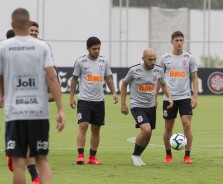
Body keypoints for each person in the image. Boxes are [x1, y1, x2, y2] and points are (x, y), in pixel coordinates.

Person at [0, 8, 65, 184]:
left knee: (18, 163)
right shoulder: (42, 46)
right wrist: (60, 109)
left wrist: (2, 94)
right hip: (39, 112)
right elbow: (52, 77)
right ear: (28, 24)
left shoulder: (3, 47)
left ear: (13, 26)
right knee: (42, 159)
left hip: (15, 112)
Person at [70, 36, 118, 165]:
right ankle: (80, 155)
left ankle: (92, 158)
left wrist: (113, 92)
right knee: (83, 125)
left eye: (99, 48)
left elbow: (108, 78)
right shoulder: (80, 62)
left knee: (96, 129)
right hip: (84, 100)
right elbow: (74, 79)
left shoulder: (104, 61)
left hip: (99, 101)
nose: (97, 51)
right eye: (94, 49)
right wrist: (71, 97)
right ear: (88, 48)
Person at [121, 48, 173, 167]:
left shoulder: (158, 70)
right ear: (143, 58)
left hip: (151, 106)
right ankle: (135, 155)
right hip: (137, 106)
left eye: (155, 59)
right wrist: (123, 104)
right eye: (150, 59)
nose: (153, 62)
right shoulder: (134, 70)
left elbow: (164, 85)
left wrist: (169, 97)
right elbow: (124, 84)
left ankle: (138, 155)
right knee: (146, 129)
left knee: (149, 134)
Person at [156, 31, 198, 164]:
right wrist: (155, 97)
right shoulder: (164, 58)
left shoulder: (189, 57)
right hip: (169, 98)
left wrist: (195, 96)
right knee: (168, 127)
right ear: (172, 42)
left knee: (187, 124)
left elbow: (195, 77)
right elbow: (159, 79)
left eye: (181, 40)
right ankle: (168, 155)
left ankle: (187, 155)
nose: (179, 43)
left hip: (185, 97)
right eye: (177, 40)